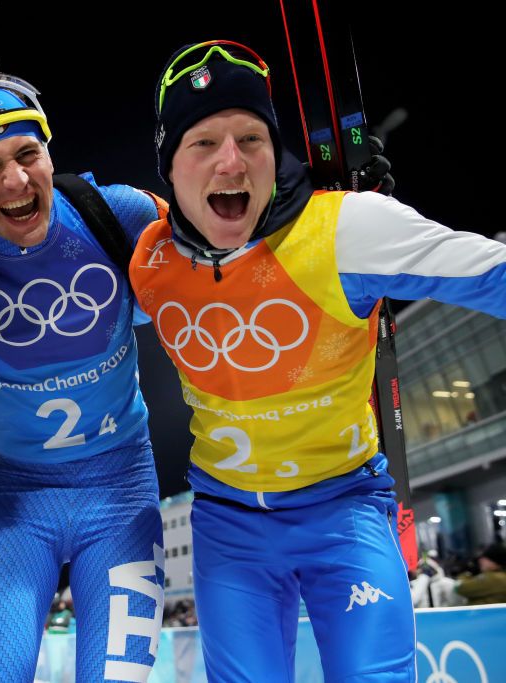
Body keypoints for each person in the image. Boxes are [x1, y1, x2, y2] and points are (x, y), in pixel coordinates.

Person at [129, 40, 506, 681]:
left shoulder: (346, 229)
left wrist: (384, 218)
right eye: (203, 143)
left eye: (251, 139)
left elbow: (490, 273)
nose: (231, 161)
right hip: (229, 526)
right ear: (170, 165)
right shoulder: (148, 261)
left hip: (346, 511)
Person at [0, 73, 167, 682]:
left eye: (26, 154)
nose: (14, 179)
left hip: (120, 490)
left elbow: (227, 247)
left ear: (48, 154)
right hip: (17, 498)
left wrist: (303, 200)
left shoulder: (118, 214)